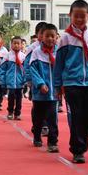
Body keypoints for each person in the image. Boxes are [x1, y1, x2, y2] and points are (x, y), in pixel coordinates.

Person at [54, 0, 88, 164]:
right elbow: (59, 64)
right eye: (76, 16)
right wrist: (58, 85)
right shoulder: (65, 39)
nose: (79, 19)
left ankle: (83, 135)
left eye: (82, 16)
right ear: (70, 16)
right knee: (76, 116)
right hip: (71, 84)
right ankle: (78, 150)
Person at [29, 24, 60, 153]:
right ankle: (37, 136)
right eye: (47, 36)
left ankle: (52, 142)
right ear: (42, 37)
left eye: (52, 36)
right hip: (40, 94)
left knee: (53, 118)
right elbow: (33, 69)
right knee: (38, 117)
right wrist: (40, 84)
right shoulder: (36, 52)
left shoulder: (59, 52)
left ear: (56, 37)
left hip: (54, 93)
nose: (50, 39)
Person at [0, 36, 25, 120]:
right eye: (14, 43)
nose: (16, 45)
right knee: (11, 98)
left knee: (19, 99)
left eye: (18, 43)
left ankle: (17, 113)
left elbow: (25, 70)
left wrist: (25, 80)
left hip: (20, 81)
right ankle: (10, 112)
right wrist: (3, 80)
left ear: (22, 45)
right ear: (11, 44)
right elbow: (3, 69)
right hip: (10, 81)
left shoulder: (23, 57)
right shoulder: (7, 56)